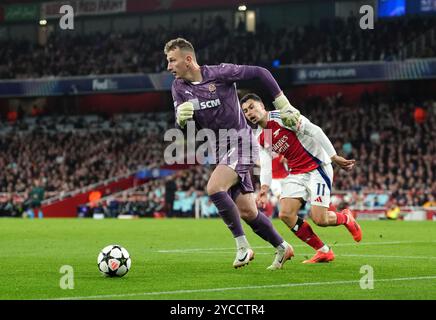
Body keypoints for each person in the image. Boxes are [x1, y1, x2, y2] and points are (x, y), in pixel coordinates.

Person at [164, 38, 294, 270]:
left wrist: (282, 103)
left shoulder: (220, 73)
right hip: (220, 150)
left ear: (188, 59)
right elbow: (183, 127)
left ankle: (243, 247)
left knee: (214, 188)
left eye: (172, 60)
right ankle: (283, 246)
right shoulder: (178, 88)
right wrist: (181, 120)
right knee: (247, 211)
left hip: (242, 142)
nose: (168, 66)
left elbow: (260, 73)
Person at [240, 93, 362, 263]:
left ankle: (346, 218)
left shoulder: (283, 115)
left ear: (262, 105)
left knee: (320, 219)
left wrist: (334, 157)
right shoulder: (261, 136)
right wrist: (264, 189)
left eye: (252, 107)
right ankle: (323, 251)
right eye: (245, 111)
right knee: (285, 214)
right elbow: (266, 164)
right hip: (297, 172)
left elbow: (315, 130)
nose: (249, 113)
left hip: (317, 167)